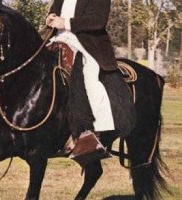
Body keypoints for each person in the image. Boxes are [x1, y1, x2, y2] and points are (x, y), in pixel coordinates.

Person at [45, 0, 136, 164]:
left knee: (89, 75)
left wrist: (65, 22)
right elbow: (54, 12)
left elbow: (98, 21)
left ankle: (95, 132)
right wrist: (50, 18)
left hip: (86, 44)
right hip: (57, 40)